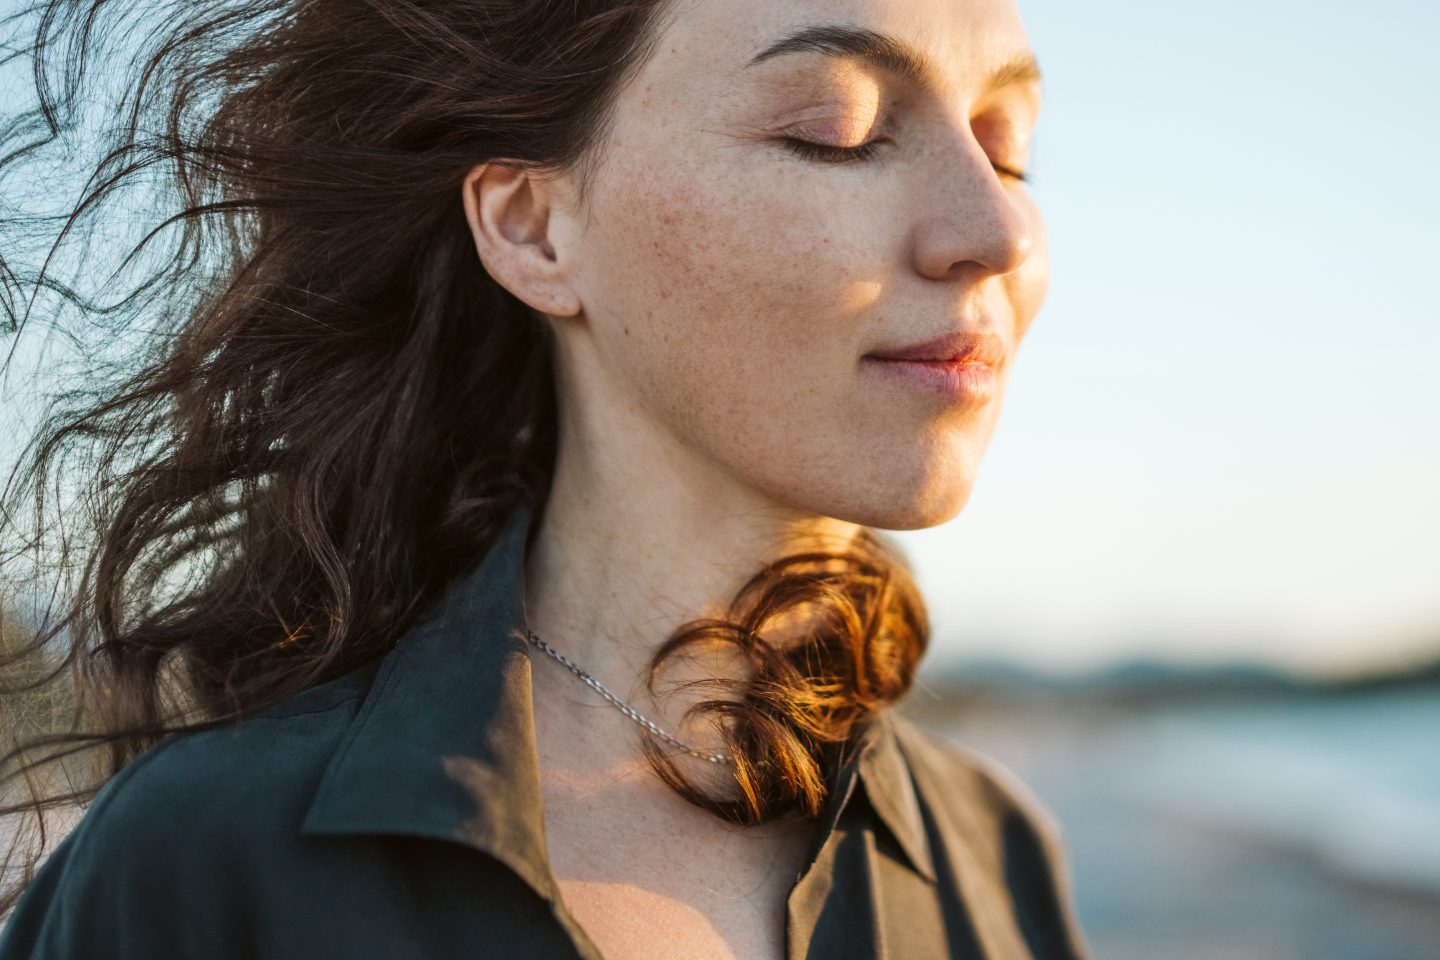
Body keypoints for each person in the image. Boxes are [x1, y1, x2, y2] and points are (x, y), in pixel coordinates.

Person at [0, 0, 1089, 957]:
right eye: (837, 132)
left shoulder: (996, 865)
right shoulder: (200, 870)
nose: (992, 228)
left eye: (1005, 145)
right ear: (531, 227)